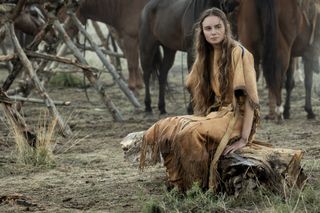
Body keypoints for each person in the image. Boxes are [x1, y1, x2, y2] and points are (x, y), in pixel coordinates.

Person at [139, 7, 260, 192]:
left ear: (226, 27)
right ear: (202, 32)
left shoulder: (240, 53)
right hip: (216, 115)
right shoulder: (205, 55)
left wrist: (244, 138)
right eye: (208, 29)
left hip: (236, 117)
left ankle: (199, 186)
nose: (213, 32)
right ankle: (178, 184)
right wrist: (200, 117)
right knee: (163, 128)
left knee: (188, 133)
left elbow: (251, 100)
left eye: (218, 27)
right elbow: (197, 91)